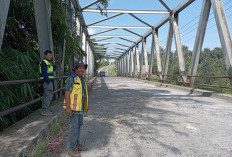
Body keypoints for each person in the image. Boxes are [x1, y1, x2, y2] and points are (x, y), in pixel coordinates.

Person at [63, 60, 89, 157]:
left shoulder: (81, 78)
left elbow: (83, 94)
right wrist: (68, 108)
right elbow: (67, 93)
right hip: (73, 109)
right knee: (74, 128)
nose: (82, 69)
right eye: (80, 67)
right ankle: (71, 148)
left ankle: (77, 144)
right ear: (75, 69)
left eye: (83, 68)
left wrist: (85, 106)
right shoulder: (71, 78)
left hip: (80, 108)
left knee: (78, 127)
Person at [39, 50, 56, 116]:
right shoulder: (44, 62)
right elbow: (44, 73)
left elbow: (53, 70)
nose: (50, 56)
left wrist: (54, 64)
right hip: (47, 82)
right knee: (48, 95)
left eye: (51, 55)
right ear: (45, 55)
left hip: (48, 81)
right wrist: (48, 81)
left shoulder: (49, 62)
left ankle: (45, 109)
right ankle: (45, 110)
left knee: (46, 95)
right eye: (49, 55)